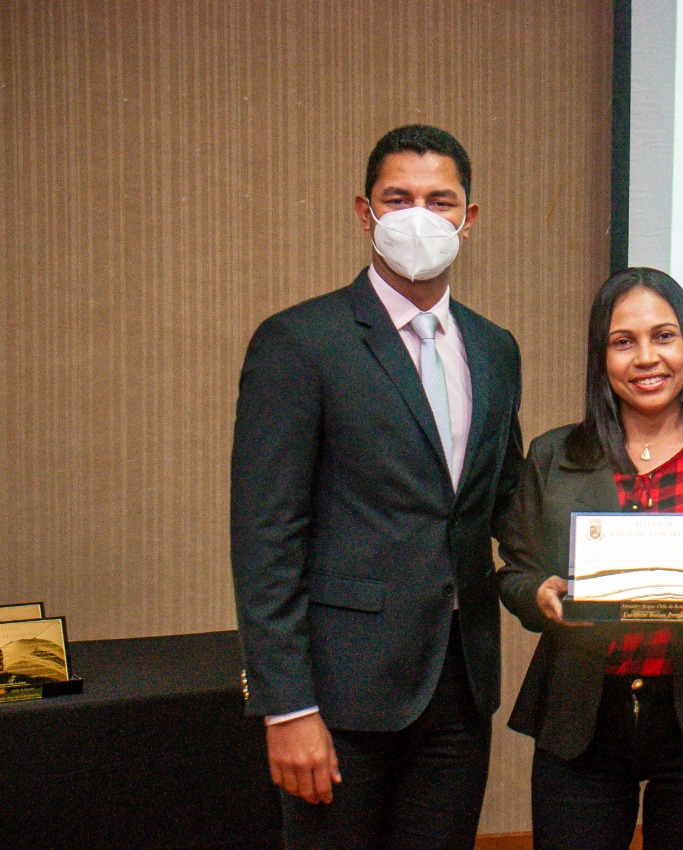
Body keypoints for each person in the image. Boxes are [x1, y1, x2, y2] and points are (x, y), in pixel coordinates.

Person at [230, 124, 524, 849]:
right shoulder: (301, 342)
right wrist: (286, 706)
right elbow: (266, 536)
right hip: (340, 697)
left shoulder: (494, 348)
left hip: (460, 686)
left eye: (439, 200)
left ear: (468, 218)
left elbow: (506, 504)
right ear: (365, 213)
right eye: (398, 199)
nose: (419, 216)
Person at [497, 267, 683, 850]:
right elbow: (515, 570)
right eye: (623, 341)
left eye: (664, 336)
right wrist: (539, 595)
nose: (646, 358)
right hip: (582, 725)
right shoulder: (554, 456)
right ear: (600, 357)